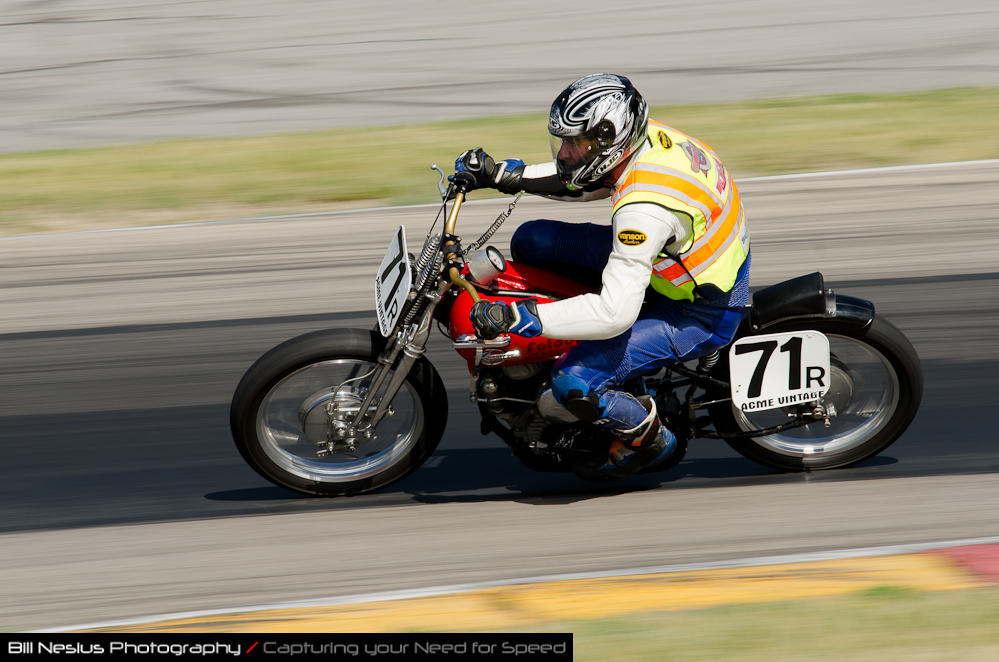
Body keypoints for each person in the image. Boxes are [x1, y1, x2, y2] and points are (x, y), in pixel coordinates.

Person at [457, 73, 750, 482]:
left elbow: (614, 314)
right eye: (563, 141)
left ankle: (650, 439)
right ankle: (583, 325)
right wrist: (501, 174)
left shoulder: (642, 212)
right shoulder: (645, 139)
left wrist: (522, 318)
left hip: (699, 309)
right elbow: (582, 179)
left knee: (573, 380)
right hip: (682, 259)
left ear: (609, 141)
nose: (565, 153)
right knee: (530, 239)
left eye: (574, 143)